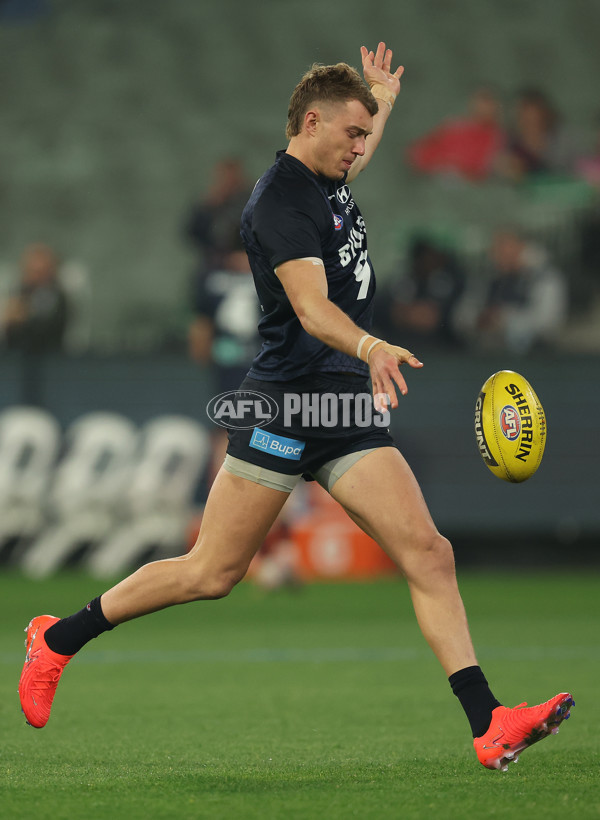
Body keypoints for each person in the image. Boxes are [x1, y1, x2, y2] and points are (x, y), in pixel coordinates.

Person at [19, 43, 573, 771]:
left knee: (430, 554)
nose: (360, 147)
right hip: (285, 406)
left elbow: (356, 153)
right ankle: (58, 640)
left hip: (343, 409)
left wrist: (380, 100)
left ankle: (489, 721)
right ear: (310, 123)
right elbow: (312, 310)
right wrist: (372, 345)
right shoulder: (279, 203)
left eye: (363, 135)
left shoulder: (329, 171)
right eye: (351, 133)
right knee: (212, 573)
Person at [475, 228, 568, 353]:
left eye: (502, 248)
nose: (494, 255)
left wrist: (503, 319)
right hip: (495, 357)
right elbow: (468, 314)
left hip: (538, 358)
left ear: (520, 247)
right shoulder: (494, 280)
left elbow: (548, 322)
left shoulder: (545, 278)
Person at [406, 87, 505, 182]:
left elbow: (481, 171)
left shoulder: (495, 135)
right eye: (481, 101)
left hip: (465, 185)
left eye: (488, 102)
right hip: (435, 177)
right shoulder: (454, 126)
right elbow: (418, 153)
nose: (483, 107)